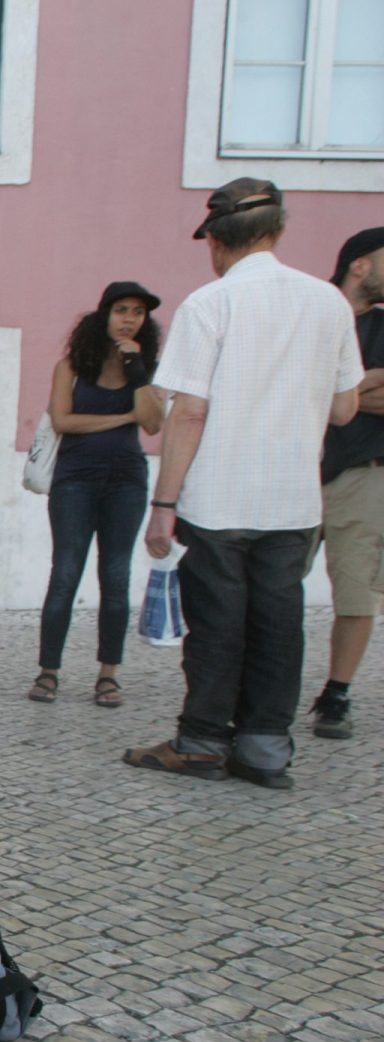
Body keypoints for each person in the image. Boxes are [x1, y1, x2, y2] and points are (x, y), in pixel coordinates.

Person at [123, 179, 362, 789]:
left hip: (219, 496)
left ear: (216, 244)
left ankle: (202, 740)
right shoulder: (329, 303)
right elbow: (343, 410)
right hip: (293, 499)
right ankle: (265, 748)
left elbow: (190, 410)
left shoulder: (211, 304)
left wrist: (164, 503)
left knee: (219, 624)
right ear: (278, 231)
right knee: (280, 624)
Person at [29, 282, 167, 708]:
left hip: (126, 481)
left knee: (117, 576)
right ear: (104, 315)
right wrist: (122, 415)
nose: (129, 319)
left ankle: (109, 674)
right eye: (122, 309)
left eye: (138, 313)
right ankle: (48, 671)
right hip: (75, 480)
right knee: (66, 572)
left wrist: (137, 370)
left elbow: (153, 423)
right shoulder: (71, 366)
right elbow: (63, 420)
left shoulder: (147, 368)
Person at [309, 227, 384, 739]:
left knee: (356, 590)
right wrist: (364, 384)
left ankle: (336, 693)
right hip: (290, 468)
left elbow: (333, 395)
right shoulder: (312, 311)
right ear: (360, 264)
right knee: (268, 583)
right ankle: (253, 684)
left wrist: (339, 388)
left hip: (361, 473)